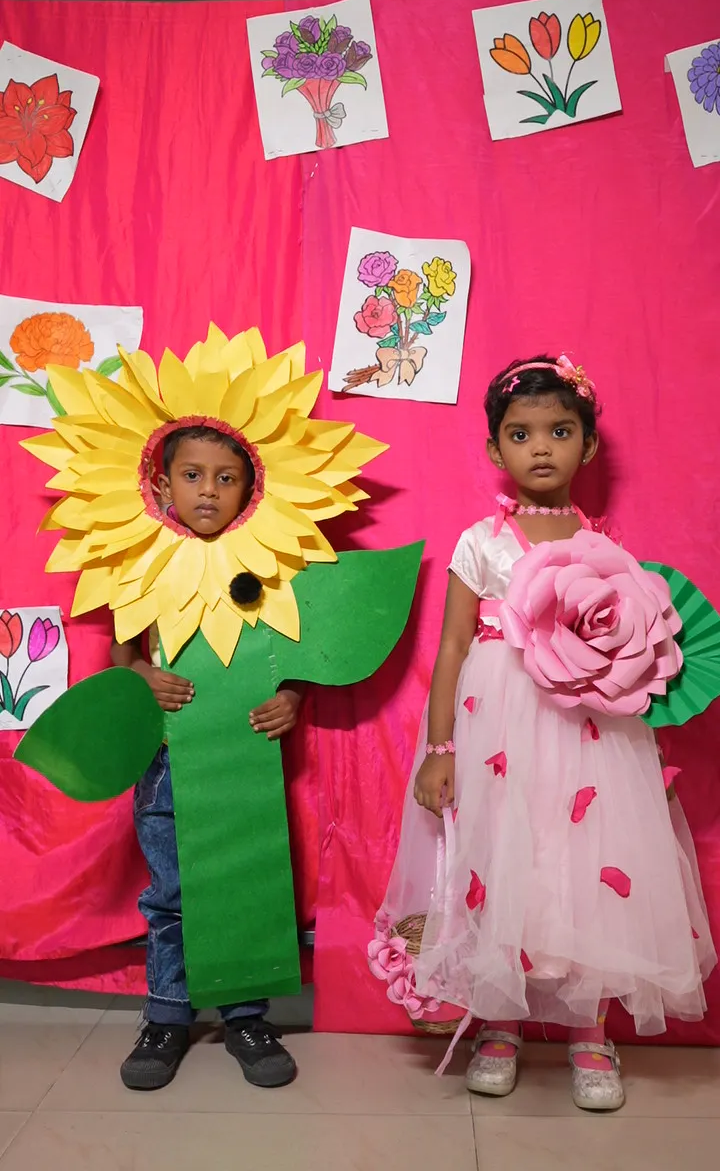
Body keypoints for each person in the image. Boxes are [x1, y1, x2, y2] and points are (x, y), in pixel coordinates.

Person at [373, 355, 716, 1111]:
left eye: (560, 431)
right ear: (495, 448)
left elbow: (627, 652)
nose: (540, 447)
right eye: (520, 433)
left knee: (583, 868)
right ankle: (501, 1025)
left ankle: (590, 1031)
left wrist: (646, 741)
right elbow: (453, 647)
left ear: (587, 446)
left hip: (583, 731)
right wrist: (440, 750)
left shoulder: (607, 549)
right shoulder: (479, 542)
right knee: (502, 862)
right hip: (495, 729)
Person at [112, 424, 303, 1092]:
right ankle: (167, 1016)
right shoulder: (145, 557)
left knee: (243, 880)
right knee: (172, 893)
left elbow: (293, 652)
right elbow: (123, 653)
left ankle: (246, 1016)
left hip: (242, 753)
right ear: (164, 483)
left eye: (226, 478)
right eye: (193, 475)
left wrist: (292, 698)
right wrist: (141, 675)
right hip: (168, 755)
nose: (209, 491)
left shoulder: (268, 560)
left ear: (250, 489)